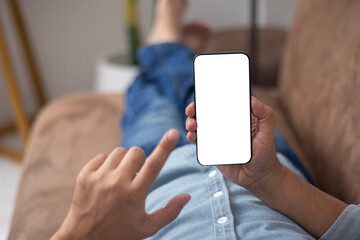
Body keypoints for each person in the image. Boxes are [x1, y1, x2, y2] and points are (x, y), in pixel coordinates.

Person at [51, 0, 360, 239]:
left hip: (159, 173)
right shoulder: (269, 170)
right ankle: (170, 46)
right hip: (268, 165)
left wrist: (78, 232)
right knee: (202, 94)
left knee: (149, 101)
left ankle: (166, 42)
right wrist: (270, 178)